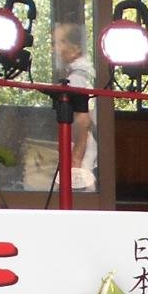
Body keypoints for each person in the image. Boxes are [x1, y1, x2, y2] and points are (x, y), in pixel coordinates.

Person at [52, 22, 96, 186]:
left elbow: (83, 120)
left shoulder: (78, 77)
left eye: (60, 42)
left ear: (76, 47)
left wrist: (76, 159)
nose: (55, 49)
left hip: (82, 153)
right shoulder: (86, 71)